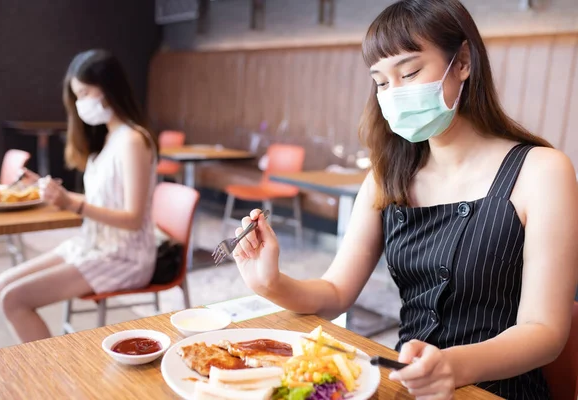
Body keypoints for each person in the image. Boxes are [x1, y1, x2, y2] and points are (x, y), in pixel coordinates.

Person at [230, 1, 578, 399]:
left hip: (499, 391)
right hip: (408, 385)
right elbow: (334, 292)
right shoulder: (386, 177)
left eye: (410, 72)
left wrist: (453, 366)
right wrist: (271, 282)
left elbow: (545, 331)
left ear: (462, 61)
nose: (394, 94)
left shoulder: (543, 171)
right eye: (381, 82)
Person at [0, 49, 159, 343]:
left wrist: (72, 202)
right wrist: (59, 195)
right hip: (93, 244)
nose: (81, 104)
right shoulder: (107, 139)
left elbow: (133, 220)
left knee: (13, 299)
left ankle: (50, 383)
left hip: (125, 256)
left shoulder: (133, 140)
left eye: (84, 93)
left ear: (109, 88)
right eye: (76, 96)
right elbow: (104, 201)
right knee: (0, 287)